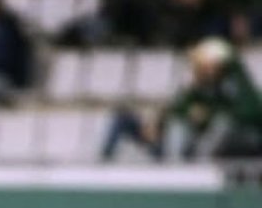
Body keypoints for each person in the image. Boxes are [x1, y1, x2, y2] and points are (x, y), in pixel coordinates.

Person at [102, 37, 262, 161]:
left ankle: (184, 169)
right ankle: (103, 165)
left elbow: (248, 111)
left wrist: (206, 116)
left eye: (207, 64)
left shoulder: (229, 91)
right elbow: (177, 108)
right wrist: (157, 124)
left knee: (209, 124)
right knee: (123, 117)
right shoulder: (193, 88)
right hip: (170, 143)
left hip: (197, 149)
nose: (201, 69)